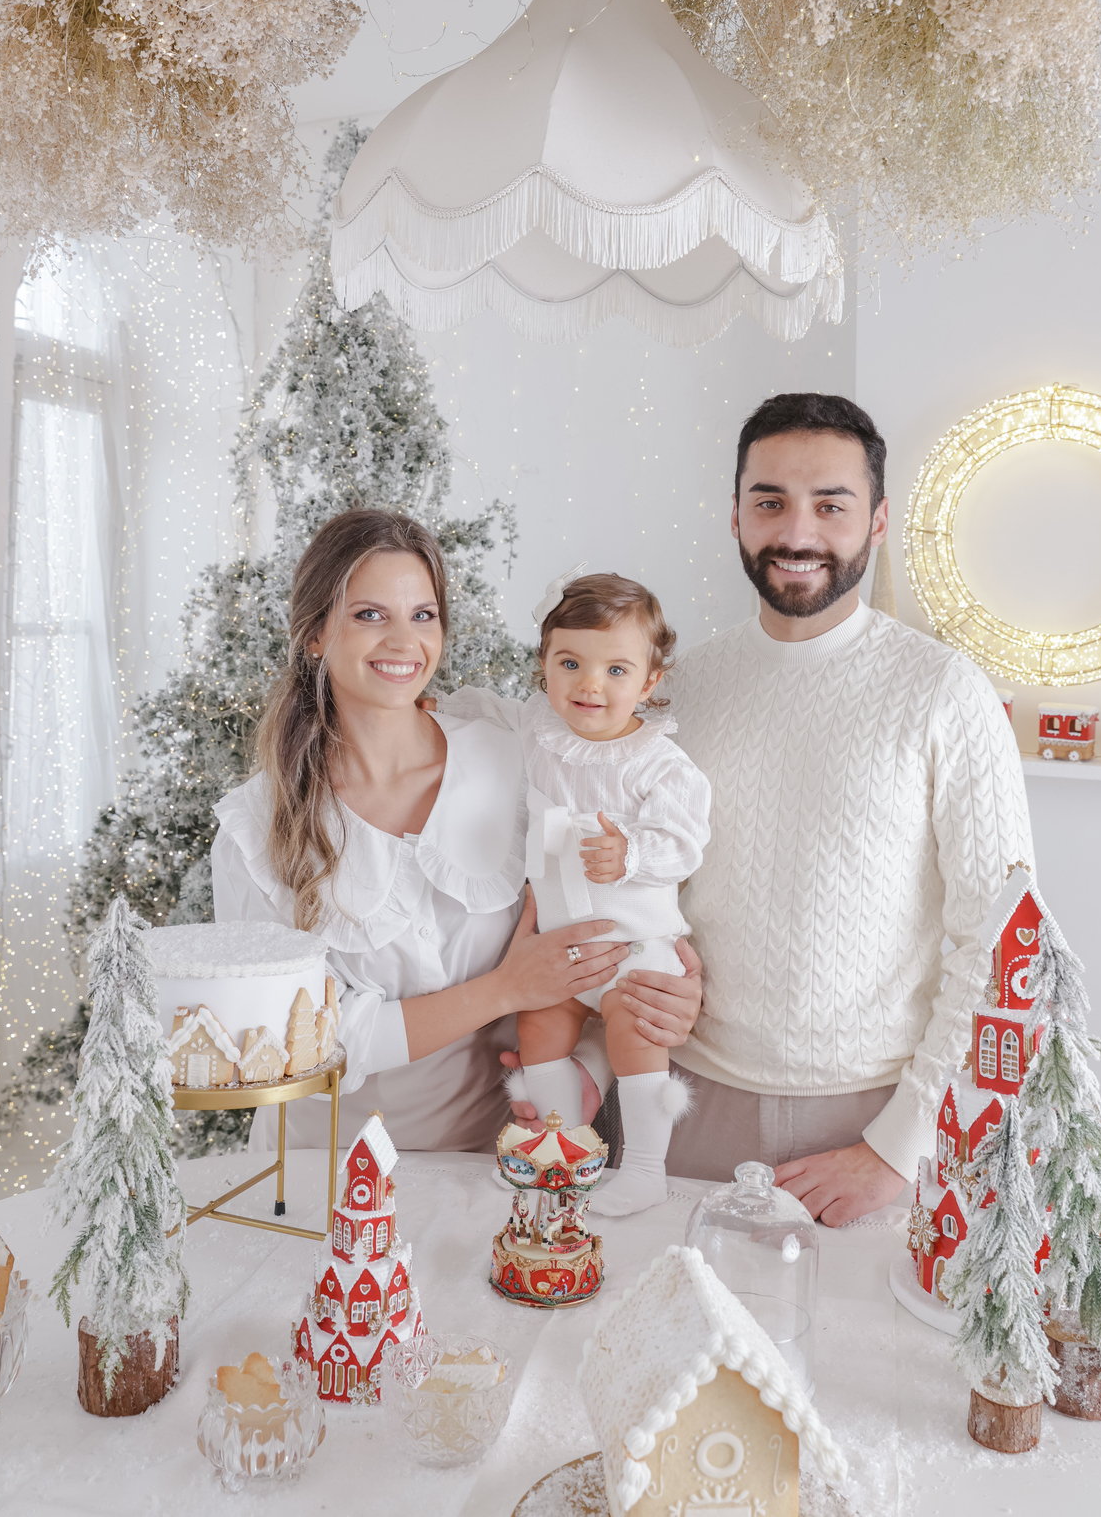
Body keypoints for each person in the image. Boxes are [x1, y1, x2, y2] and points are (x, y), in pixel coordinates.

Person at [208, 508, 703, 1152]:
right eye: (368, 614)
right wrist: (504, 990)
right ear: (313, 635)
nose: (403, 641)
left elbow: (600, 929)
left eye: (423, 615)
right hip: (324, 1182)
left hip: (506, 1175)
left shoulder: (517, 761)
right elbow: (287, 1040)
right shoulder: (256, 829)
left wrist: (635, 1019)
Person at [663, 393, 1033, 1224]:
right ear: (734, 515)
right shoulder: (678, 685)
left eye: (831, 504)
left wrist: (897, 1145)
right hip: (689, 1103)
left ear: (876, 521)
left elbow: (1003, 936)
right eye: (770, 501)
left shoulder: (946, 692)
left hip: (879, 1123)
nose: (797, 533)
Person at [441, 570, 711, 1215]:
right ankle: (561, 1151)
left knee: (638, 1032)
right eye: (570, 663)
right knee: (539, 1028)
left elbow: (686, 843)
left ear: (649, 682)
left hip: (634, 947)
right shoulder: (540, 730)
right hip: (562, 944)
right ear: (544, 665)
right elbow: (496, 715)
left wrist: (634, 852)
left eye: (617, 670)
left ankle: (645, 1168)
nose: (591, 685)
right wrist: (445, 705)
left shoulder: (659, 765)